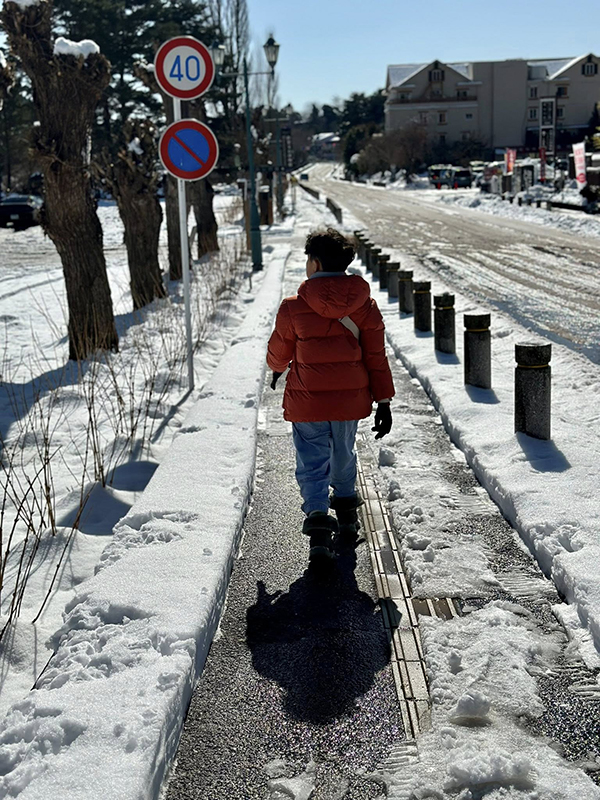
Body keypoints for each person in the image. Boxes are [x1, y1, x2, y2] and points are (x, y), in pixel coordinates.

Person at [267, 227, 395, 566]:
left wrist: (277, 368)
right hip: (349, 401)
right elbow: (376, 357)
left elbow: (278, 352)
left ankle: (320, 531)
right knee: (343, 453)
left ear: (316, 262)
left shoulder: (293, 308)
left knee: (311, 462)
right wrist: (384, 401)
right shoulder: (365, 306)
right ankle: (349, 520)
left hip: (307, 400)